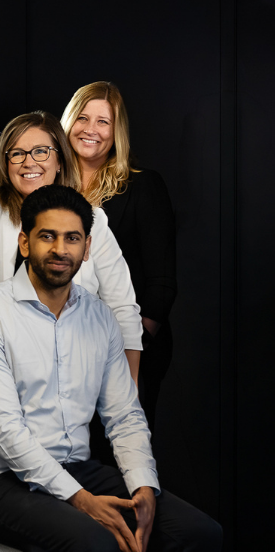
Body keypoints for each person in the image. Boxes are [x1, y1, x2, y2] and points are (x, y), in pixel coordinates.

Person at [0, 185, 220, 552]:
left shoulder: (100, 317)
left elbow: (125, 415)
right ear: (25, 243)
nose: (60, 249)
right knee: (96, 545)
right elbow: (4, 431)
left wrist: (143, 486)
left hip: (79, 467)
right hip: (4, 481)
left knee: (199, 533)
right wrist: (80, 499)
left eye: (72, 238)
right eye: (47, 236)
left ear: (86, 246)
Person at [0, 111, 143, 379]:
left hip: (75, 371)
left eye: (41, 151)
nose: (29, 162)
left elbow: (122, 308)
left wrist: (129, 388)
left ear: (60, 159)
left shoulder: (92, 218)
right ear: (5, 162)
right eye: (17, 153)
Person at [62, 82, 176, 424]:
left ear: (117, 132)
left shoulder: (142, 186)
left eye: (103, 122)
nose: (90, 130)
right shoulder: (47, 187)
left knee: (120, 452)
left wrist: (129, 346)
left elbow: (162, 282)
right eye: (83, 118)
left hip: (125, 345)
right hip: (60, 347)